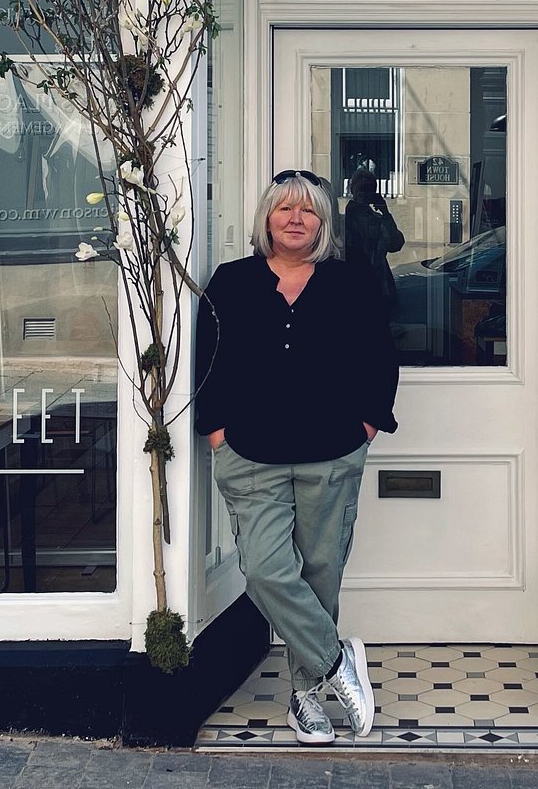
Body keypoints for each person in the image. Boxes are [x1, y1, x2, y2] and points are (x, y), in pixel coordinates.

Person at [193, 169, 400, 745]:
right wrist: (215, 433)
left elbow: (381, 358)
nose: (295, 218)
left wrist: (365, 427)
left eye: (308, 210)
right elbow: (207, 360)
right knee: (263, 569)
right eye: (284, 208)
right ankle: (337, 663)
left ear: (323, 222)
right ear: (267, 219)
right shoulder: (232, 282)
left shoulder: (351, 279)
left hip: (331, 453)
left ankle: (304, 697)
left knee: (321, 572)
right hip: (250, 455)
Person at [343, 168, 406, 306]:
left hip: (378, 284)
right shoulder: (344, 220)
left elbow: (396, 244)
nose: (364, 193)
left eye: (369, 189)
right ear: (353, 190)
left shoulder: (378, 220)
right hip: (353, 284)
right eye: (362, 188)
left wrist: (385, 211)